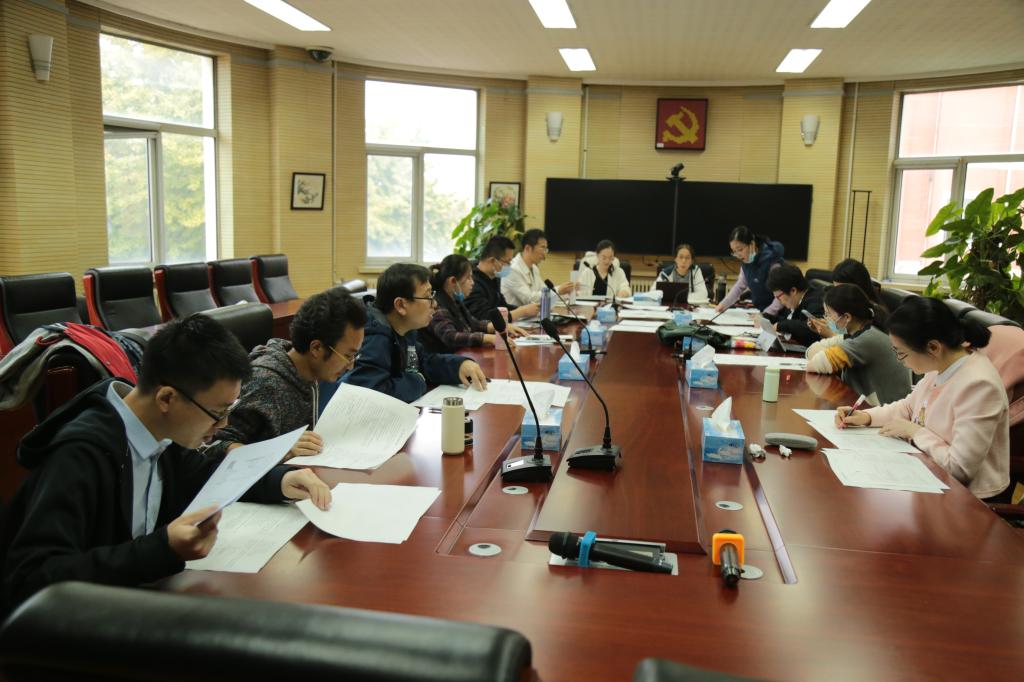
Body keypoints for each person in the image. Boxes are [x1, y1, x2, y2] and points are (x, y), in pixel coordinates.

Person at [1, 314, 332, 612]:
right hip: (71, 629)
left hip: (129, 604)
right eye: (217, 413)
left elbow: (207, 473)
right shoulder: (81, 455)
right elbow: (32, 579)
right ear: (167, 398)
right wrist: (161, 550)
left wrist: (278, 481)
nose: (222, 426)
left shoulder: (162, 435)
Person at [836, 297, 1009, 500]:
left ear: (933, 347)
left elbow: (959, 469)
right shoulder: (941, 364)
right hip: (928, 474)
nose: (900, 361)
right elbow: (909, 408)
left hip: (969, 499)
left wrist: (915, 431)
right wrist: (866, 417)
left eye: (901, 353)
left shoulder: (979, 385)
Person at [207, 288, 367, 461]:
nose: (351, 366)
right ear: (316, 348)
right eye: (348, 356)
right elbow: (216, 446)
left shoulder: (311, 373)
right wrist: (280, 451)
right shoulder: (264, 383)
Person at [342, 263, 488, 403]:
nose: (435, 303)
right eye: (428, 296)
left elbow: (422, 361)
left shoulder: (405, 328)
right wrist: (418, 381)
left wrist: (459, 366)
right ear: (401, 305)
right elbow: (371, 392)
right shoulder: (375, 336)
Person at [805, 284, 911, 405]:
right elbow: (810, 351)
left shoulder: (867, 339)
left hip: (884, 410)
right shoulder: (856, 333)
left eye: (828, 314)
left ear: (847, 317)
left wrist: (823, 355)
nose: (826, 319)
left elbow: (815, 364)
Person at [422, 254, 526, 353]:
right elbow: (451, 336)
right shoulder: (437, 305)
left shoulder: (455, 301)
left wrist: (498, 326)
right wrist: (488, 338)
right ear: (453, 281)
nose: (472, 282)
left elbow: (473, 323)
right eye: (468, 278)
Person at [465, 236, 540, 322]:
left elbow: (502, 306)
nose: (509, 266)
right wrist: (522, 312)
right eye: (507, 262)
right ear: (492, 260)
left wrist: (526, 309)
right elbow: (484, 317)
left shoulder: (494, 278)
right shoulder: (472, 283)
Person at [714, 225, 785, 315]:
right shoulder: (747, 261)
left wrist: (767, 314)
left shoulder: (771, 262)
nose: (738, 255)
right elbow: (740, 286)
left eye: (740, 250)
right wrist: (723, 305)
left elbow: (782, 295)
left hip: (778, 313)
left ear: (752, 244)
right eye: (734, 251)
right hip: (762, 311)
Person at [811, 258, 890, 336]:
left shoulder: (873, 316)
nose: (836, 294)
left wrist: (831, 334)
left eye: (841, 290)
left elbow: (854, 341)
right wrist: (831, 325)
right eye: (835, 288)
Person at [501, 229, 575, 307]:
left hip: (532, 313)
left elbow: (544, 292)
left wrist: (567, 291)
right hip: (515, 314)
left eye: (546, 249)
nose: (545, 254)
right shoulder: (511, 269)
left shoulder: (534, 268)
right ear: (528, 248)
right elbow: (529, 299)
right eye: (543, 248)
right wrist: (559, 290)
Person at [763, 264, 824, 347]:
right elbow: (787, 320)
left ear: (793, 291)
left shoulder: (816, 301)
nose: (779, 301)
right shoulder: (794, 300)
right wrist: (768, 318)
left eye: (778, 297)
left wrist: (782, 325)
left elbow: (814, 329)